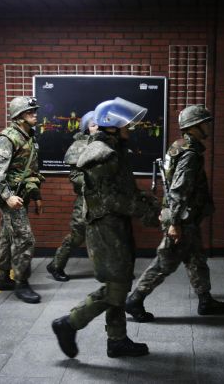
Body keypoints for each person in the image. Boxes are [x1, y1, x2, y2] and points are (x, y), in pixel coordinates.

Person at [52, 98, 160, 359]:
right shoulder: (103, 153)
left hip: (115, 224)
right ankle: (70, 323)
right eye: (126, 125)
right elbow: (110, 199)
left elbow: (124, 190)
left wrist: (149, 203)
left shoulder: (114, 148)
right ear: (112, 125)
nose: (130, 129)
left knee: (119, 280)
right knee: (116, 287)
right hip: (105, 227)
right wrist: (148, 212)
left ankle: (117, 340)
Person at [125, 105, 224, 323]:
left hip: (186, 217)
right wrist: (174, 222)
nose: (208, 126)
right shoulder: (190, 154)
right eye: (205, 123)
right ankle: (134, 300)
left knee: (196, 259)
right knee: (165, 262)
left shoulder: (179, 146)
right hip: (181, 219)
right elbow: (178, 189)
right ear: (194, 127)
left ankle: (205, 300)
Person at [0, 96, 44, 303]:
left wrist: (37, 196)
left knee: (6, 236)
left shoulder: (29, 136)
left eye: (34, 111)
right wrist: (8, 196)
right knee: (24, 239)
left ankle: (2, 278)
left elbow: (32, 170)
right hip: (11, 197)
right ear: (19, 116)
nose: (35, 115)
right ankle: (21, 283)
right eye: (30, 113)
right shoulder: (8, 138)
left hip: (22, 194)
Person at [46, 111, 98, 282]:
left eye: (99, 124)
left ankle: (108, 271)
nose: (97, 128)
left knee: (107, 233)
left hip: (105, 199)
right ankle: (56, 265)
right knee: (77, 235)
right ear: (86, 128)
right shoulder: (79, 146)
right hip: (85, 199)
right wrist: (93, 181)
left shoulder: (108, 144)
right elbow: (75, 176)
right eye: (93, 125)